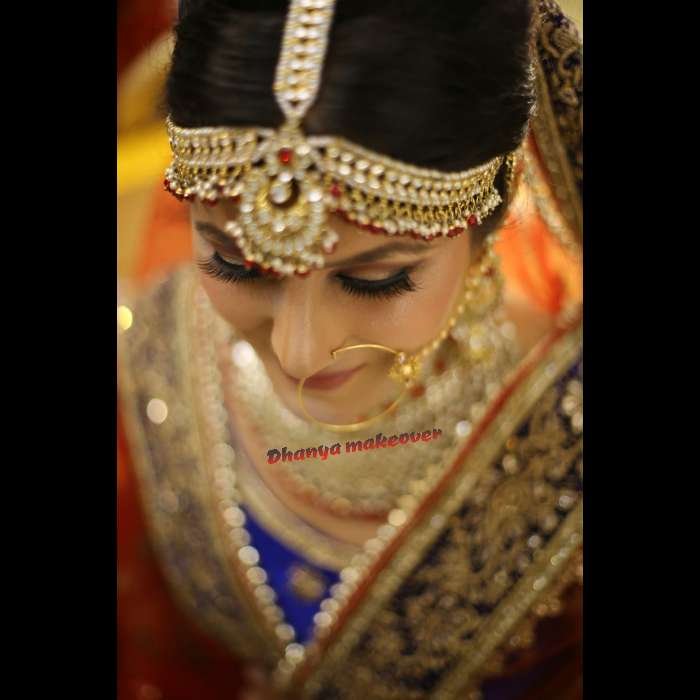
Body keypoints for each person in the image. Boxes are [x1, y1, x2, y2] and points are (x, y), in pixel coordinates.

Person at [117, 1, 583, 698]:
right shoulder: (152, 352)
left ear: (497, 199)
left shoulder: (566, 425)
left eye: (376, 280)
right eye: (236, 264)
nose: (300, 354)